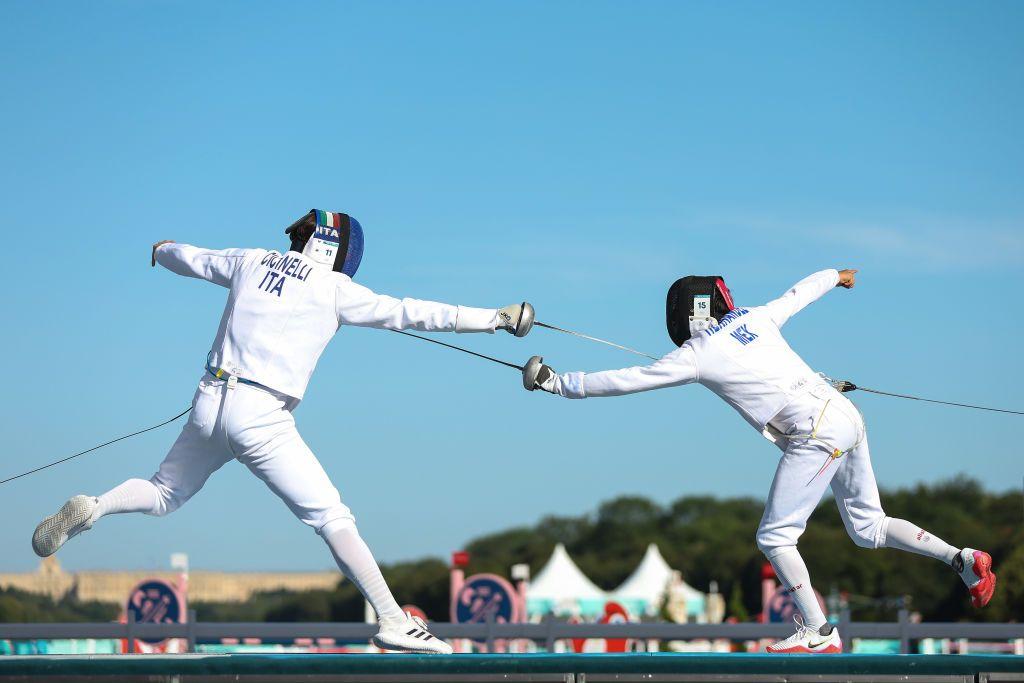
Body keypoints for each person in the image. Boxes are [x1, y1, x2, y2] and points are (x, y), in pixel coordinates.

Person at [32, 209, 536, 655]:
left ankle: (95, 507)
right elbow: (415, 312)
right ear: (338, 252)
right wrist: (496, 319)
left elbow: (193, 258)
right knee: (331, 515)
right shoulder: (335, 288)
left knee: (164, 492)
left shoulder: (251, 259)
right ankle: (391, 619)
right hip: (261, 415)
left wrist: (161, 250)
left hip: (209, 399)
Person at [522, 268, 996, 654]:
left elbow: (632, 378)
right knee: (868, 527)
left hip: (814, 430)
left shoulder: (697, 353)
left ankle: (818, 629)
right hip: (846, 415)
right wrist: (836, 275)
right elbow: (799, 293)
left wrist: (559, 383)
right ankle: (962, 559)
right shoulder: (757, 317)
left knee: (775, 535)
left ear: (686, 314)